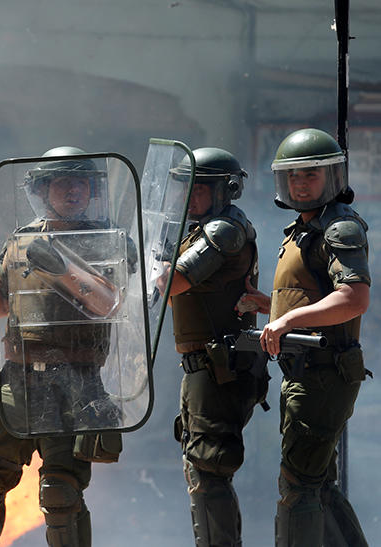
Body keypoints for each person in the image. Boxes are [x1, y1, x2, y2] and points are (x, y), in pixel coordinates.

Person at [0, 146, 135, 546]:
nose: (73, 192)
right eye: (63, 183)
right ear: (43, 190)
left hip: (76, 384)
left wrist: (63, 267)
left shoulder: (107, 242)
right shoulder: (22, 241)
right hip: (18, 381)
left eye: (81, 184)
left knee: (61, 494)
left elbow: (109, 304)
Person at [237, 128, 369, 547]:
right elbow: (313, 297)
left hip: (324, 373)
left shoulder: (339, 229)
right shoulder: (304, 229)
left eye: (309, 176)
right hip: (305, 372)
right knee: (316, 484)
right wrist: (267, 306)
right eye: (292, 176)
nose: (299, 184)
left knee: (299, 487)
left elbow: (353, 298)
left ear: (331, 178)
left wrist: (287, 321)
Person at [156, 147, 265, 546]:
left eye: (198, 189)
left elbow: (174, 282)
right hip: (205, 367)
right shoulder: (201, 226)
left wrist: (158, 266)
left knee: (209, 471)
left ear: (225, 190)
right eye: (184, 188)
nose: (189, 198)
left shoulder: (223, 231)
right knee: (200, 470)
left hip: (221, 368)